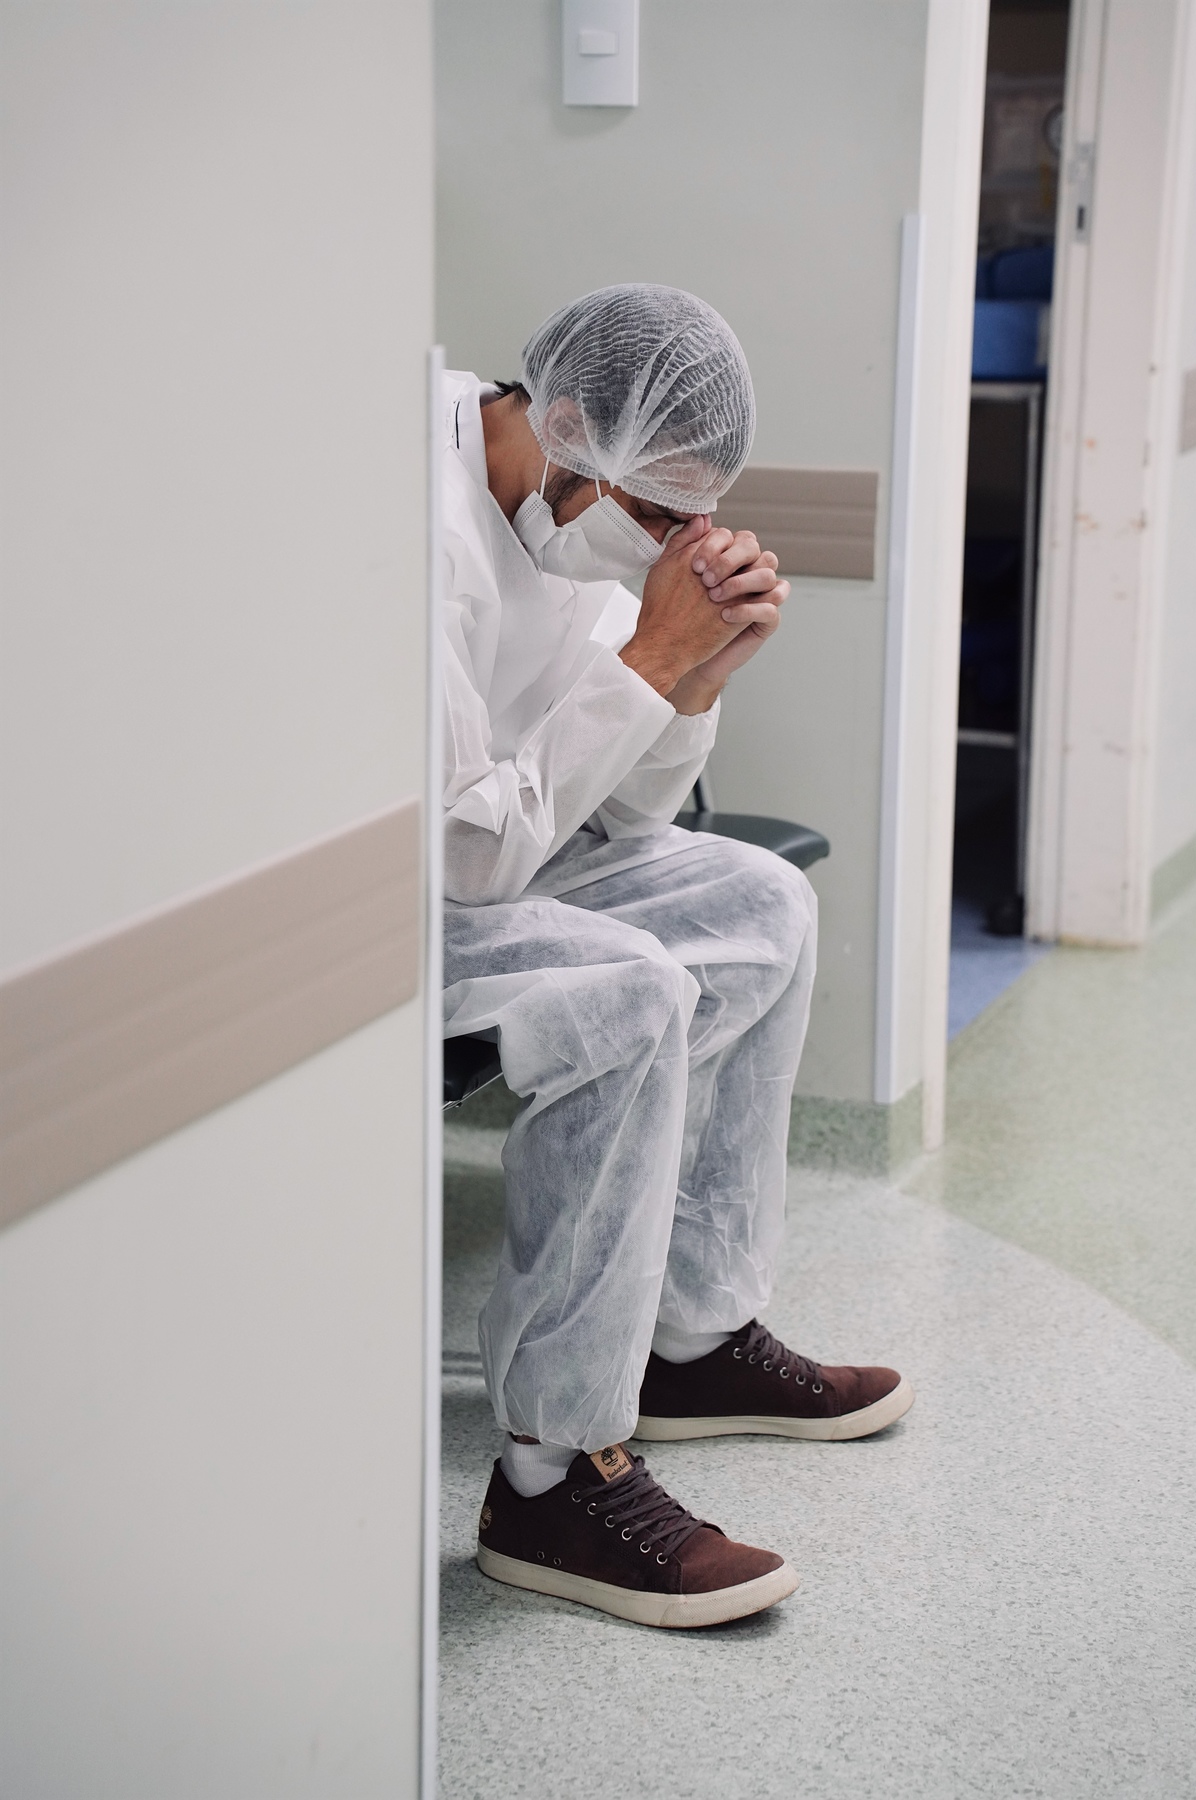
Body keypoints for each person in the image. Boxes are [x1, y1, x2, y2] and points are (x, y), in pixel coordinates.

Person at [443, 284, 912, 1630]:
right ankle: (551, 1474)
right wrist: (652, 654)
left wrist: (694, 683)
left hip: (512, 851)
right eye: (656, 514)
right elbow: (468, 862)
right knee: (628, 989)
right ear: (564, 424)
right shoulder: (415, 522)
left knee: (758, 902)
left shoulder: (575, 510)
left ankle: (691, 1341)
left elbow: (628, 821)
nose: (667, 544)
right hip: (386, 892)